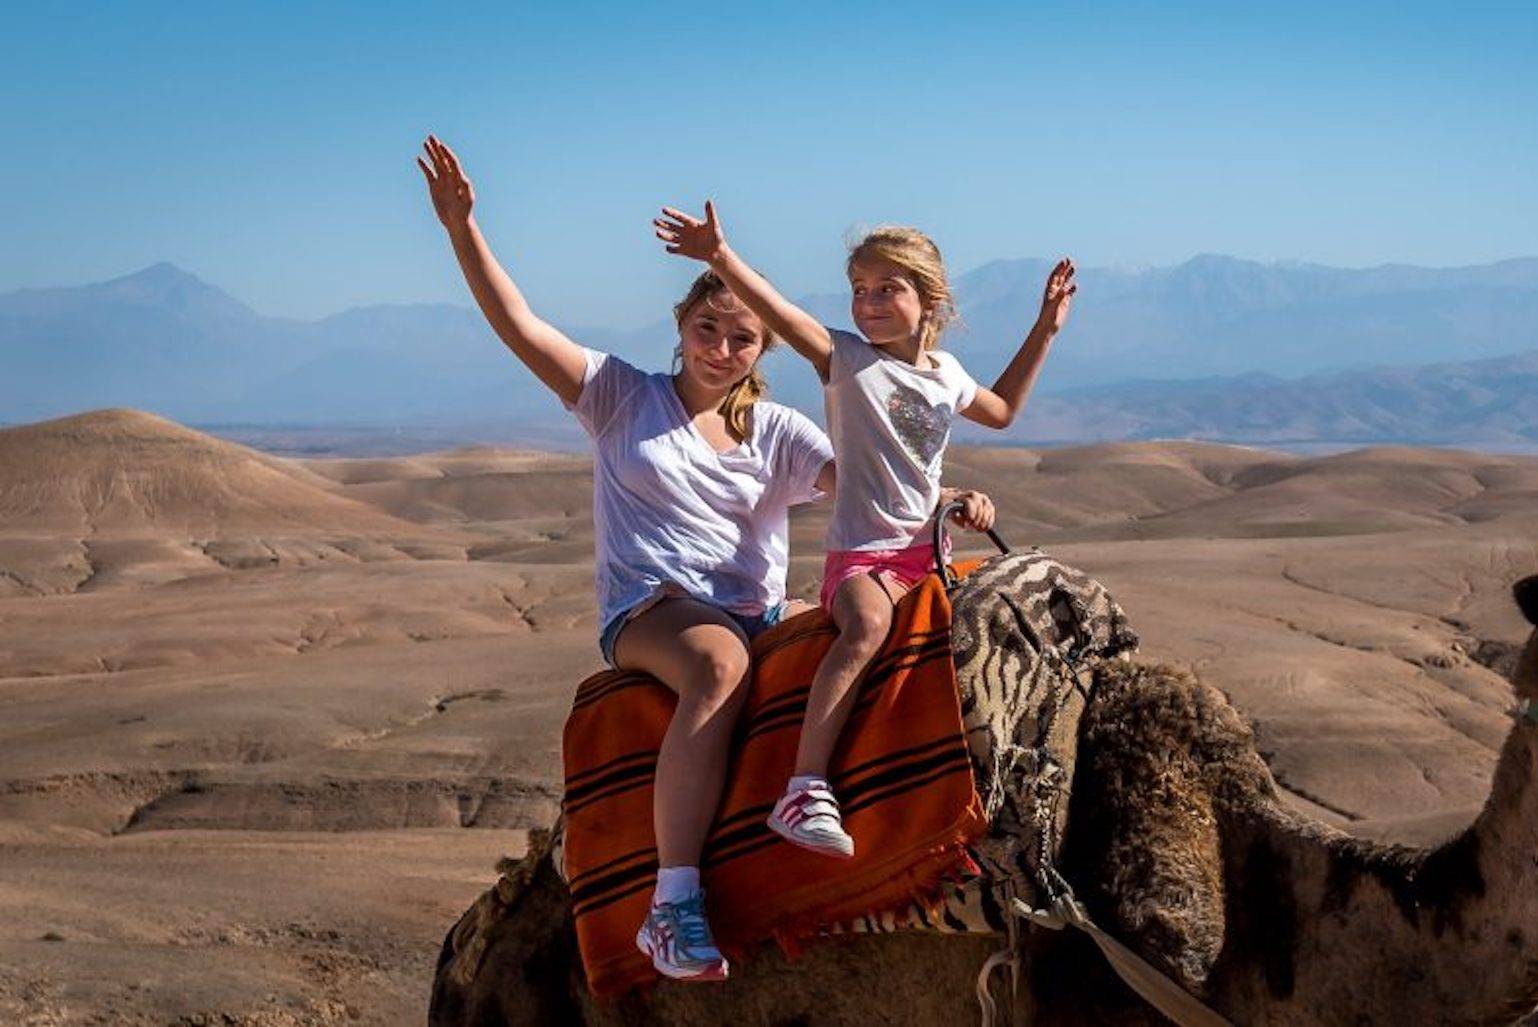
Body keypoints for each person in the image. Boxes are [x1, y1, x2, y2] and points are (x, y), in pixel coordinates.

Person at [418, 136, 835, 983]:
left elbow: (865, 481)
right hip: (653, 607)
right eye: (707, 328)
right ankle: (671, 903)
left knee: (852, 640)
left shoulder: (781, 432)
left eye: (743, 337)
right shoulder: (620, 396)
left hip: (759, 607)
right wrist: (464, 230)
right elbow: (521, 326)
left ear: (765, 350)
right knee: (719, 663)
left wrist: (946, 502)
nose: (722, 347)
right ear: (680, 327)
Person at [655, 201, 1074, 858]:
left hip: (925, 552)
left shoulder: (947, 375)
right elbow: (783, 313)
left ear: (929, 300)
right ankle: (805, 786)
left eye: (887, 289)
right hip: (861, 560)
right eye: (860, 290)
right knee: (869, 627)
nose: (869, 302)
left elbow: (1003, 410)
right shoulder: (846, 360)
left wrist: (1045, 329)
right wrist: (720, 258)